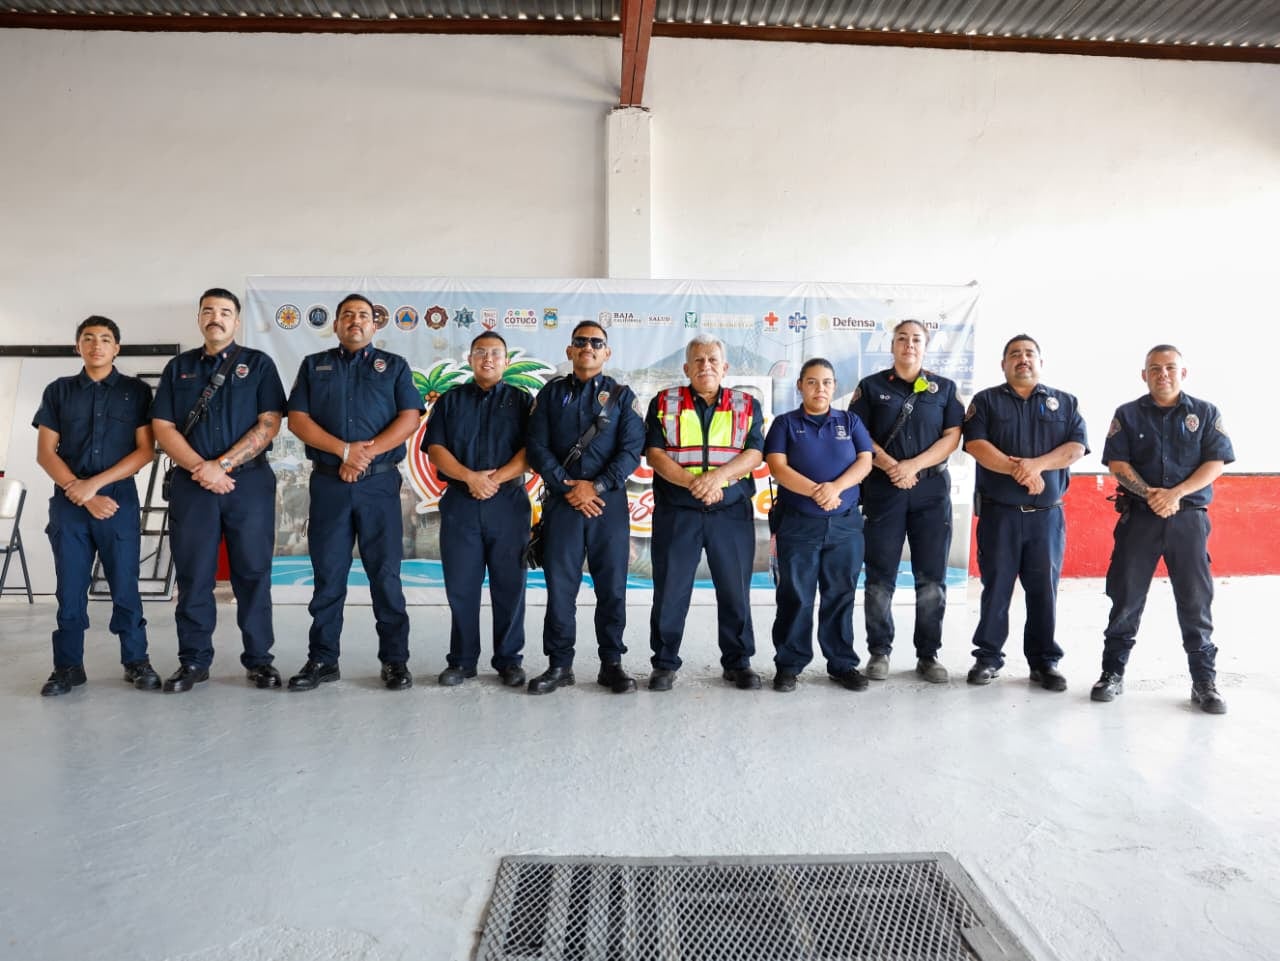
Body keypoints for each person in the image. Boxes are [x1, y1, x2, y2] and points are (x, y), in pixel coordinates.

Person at [286, 293, 425, 692]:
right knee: (329, 574)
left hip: (379, 484)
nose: (355, 321)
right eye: (347, 315)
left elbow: (409, 417)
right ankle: (322, 659)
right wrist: (343, 451)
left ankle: (395, 661)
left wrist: (365, 455)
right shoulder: (314, 366)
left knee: (385, 574)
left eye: (363, 316)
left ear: (375, 325)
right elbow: (297, 419)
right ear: (336, 325)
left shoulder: (393, 367)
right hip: (329, 481)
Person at [152, 288, 286, 693]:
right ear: (198, 319)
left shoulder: (258, 364)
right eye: (208, 310)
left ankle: (260, 660)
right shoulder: (179, 368)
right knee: (194, 576)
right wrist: (200, 468)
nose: (216, 317)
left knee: (252, 573)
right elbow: (163, 427)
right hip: (193, 486)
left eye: (225, 311)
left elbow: (269, 422)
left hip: (248, 484)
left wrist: (222, 466)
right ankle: (193, 661)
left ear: (237, 321)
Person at [1092, 345, 1234, 714]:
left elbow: (1214, 463)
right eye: (1154, 368)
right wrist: (1151, 495)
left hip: (1187, 519)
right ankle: (1112, 673)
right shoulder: (1127, 414)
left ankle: (1204, 682)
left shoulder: (1204, 413)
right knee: (1125, 597)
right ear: (1144, 375)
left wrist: (1175, 494)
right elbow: (1118, 463)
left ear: (1183, 373)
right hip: (1139, 518)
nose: (1163, 374)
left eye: (1170, 367)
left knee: (1195, 601)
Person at [33, 316, 158, 696]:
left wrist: (94, 486)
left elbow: (145, 451)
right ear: (78, 347)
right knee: (70, 588)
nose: (97, 345)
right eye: (88, 338)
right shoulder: (59, 391)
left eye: (105, 339)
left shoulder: (136, 393)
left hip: (117, 500)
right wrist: (78, 490)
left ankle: (136, 661)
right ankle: (68, 667)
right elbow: (44, 453)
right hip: (69, 503)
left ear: (117, 348)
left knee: (125, 585)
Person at [962, 334, 1088, 690]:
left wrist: (1035, 467)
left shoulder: (1064, 402)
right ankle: (988, 658)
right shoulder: (985, 402)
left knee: (1043, 590)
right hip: (1000, 515)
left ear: (1041, 362)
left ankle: (1044, 662)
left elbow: (1076, 447)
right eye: (1014, 354)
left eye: (1029, 353)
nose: (1023, 359)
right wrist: (1020, 471)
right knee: (996, 588)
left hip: (1046, 517)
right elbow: (976, 444)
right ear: (1003, 364)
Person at [524, 321, 644, 695]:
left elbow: (631, 449)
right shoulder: (551, 393)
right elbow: (537, 446)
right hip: (563, 504)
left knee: (612, 587)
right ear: (569, 351)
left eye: (597, 342)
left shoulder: (622, 396)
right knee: (561, 587)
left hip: (607, 505)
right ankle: (559, 665)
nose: (588, 347)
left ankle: (612, 664)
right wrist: (567, 485)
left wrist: (598, 486)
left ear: (607, 353)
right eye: (581, 342)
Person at [644, 332, 766, 691]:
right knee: (670, 589)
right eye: (698, 360)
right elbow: (655, 453)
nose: (705, 366)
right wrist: (691, 483)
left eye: (713, 360)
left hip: (730, 511)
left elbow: (755, 452)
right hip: (677, 510)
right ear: (686, 367)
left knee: (734, 588)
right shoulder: (664, 402)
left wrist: (717, 480)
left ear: (725, 367)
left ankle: (738, 661)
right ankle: (664, 663)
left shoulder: (747, 404)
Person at [851, 320, 964, 683]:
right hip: (884, 490)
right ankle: (879, 651)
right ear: (893, 345)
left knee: (931, 578)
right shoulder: (871, 387)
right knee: (880, 577)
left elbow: (952, 437)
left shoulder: (943, 388)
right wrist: (891, 467)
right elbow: (859, 434)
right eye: (902, 338)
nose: (909, 344)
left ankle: (928, 655)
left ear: (925, 346)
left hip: (930, 492)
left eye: (916, 339)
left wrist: (913, 466)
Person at [425, 332, 532, 688]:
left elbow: (531, 451)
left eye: (496, 353)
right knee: (461, 585)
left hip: (509, 504)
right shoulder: (451, 401)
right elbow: (436, 448)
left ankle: (509, 660)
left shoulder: (522, 401)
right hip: (461, 503)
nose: (488, 359)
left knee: (510, 585)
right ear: (470, 359)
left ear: (506, 362)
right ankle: (462, 660)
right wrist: (470, 478)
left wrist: (494, 479)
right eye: (480, 353)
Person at [765, 358, 874, 692]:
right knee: (795, 595)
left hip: (844, 524)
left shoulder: (850, 421)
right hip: (798, 524)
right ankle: (789, 664)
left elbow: (865, 460)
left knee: (840, 594)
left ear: (834, 386)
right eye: (812, 382)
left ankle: (842, 664)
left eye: (826, 382)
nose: (820, 389)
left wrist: (835, 489)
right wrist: (816, 491)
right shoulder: (785, 424)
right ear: (800, 385)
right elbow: (777, 466)